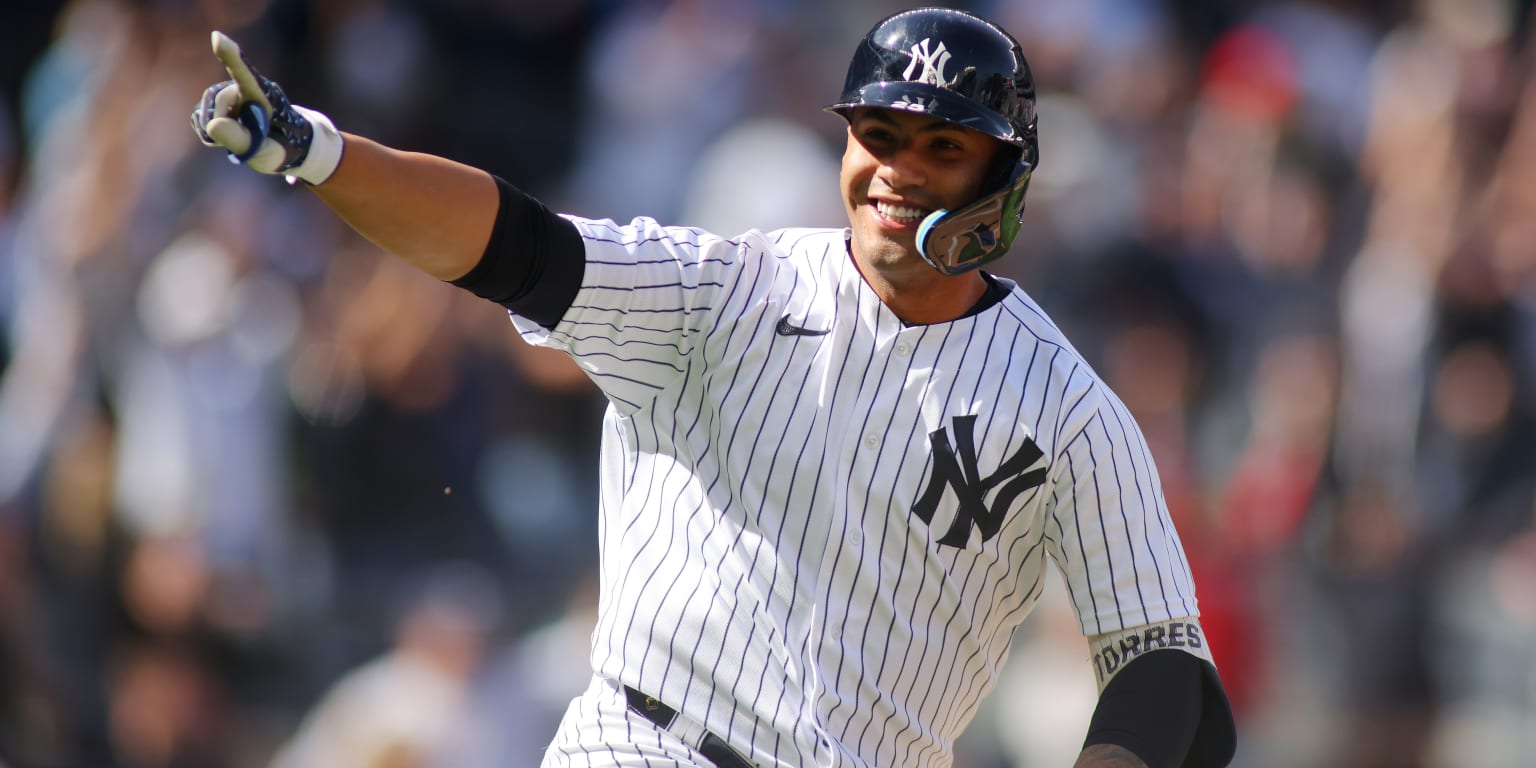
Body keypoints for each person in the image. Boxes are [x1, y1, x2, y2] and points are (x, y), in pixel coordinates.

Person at [192, 7, 1236, 768]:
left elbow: (1169, 676)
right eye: (876, 134)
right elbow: (518, 246)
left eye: (940, 146)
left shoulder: (1066, 408)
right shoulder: (731, 286)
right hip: (641, 743)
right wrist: (322, 154)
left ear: (1003, 177)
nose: (894, 169)